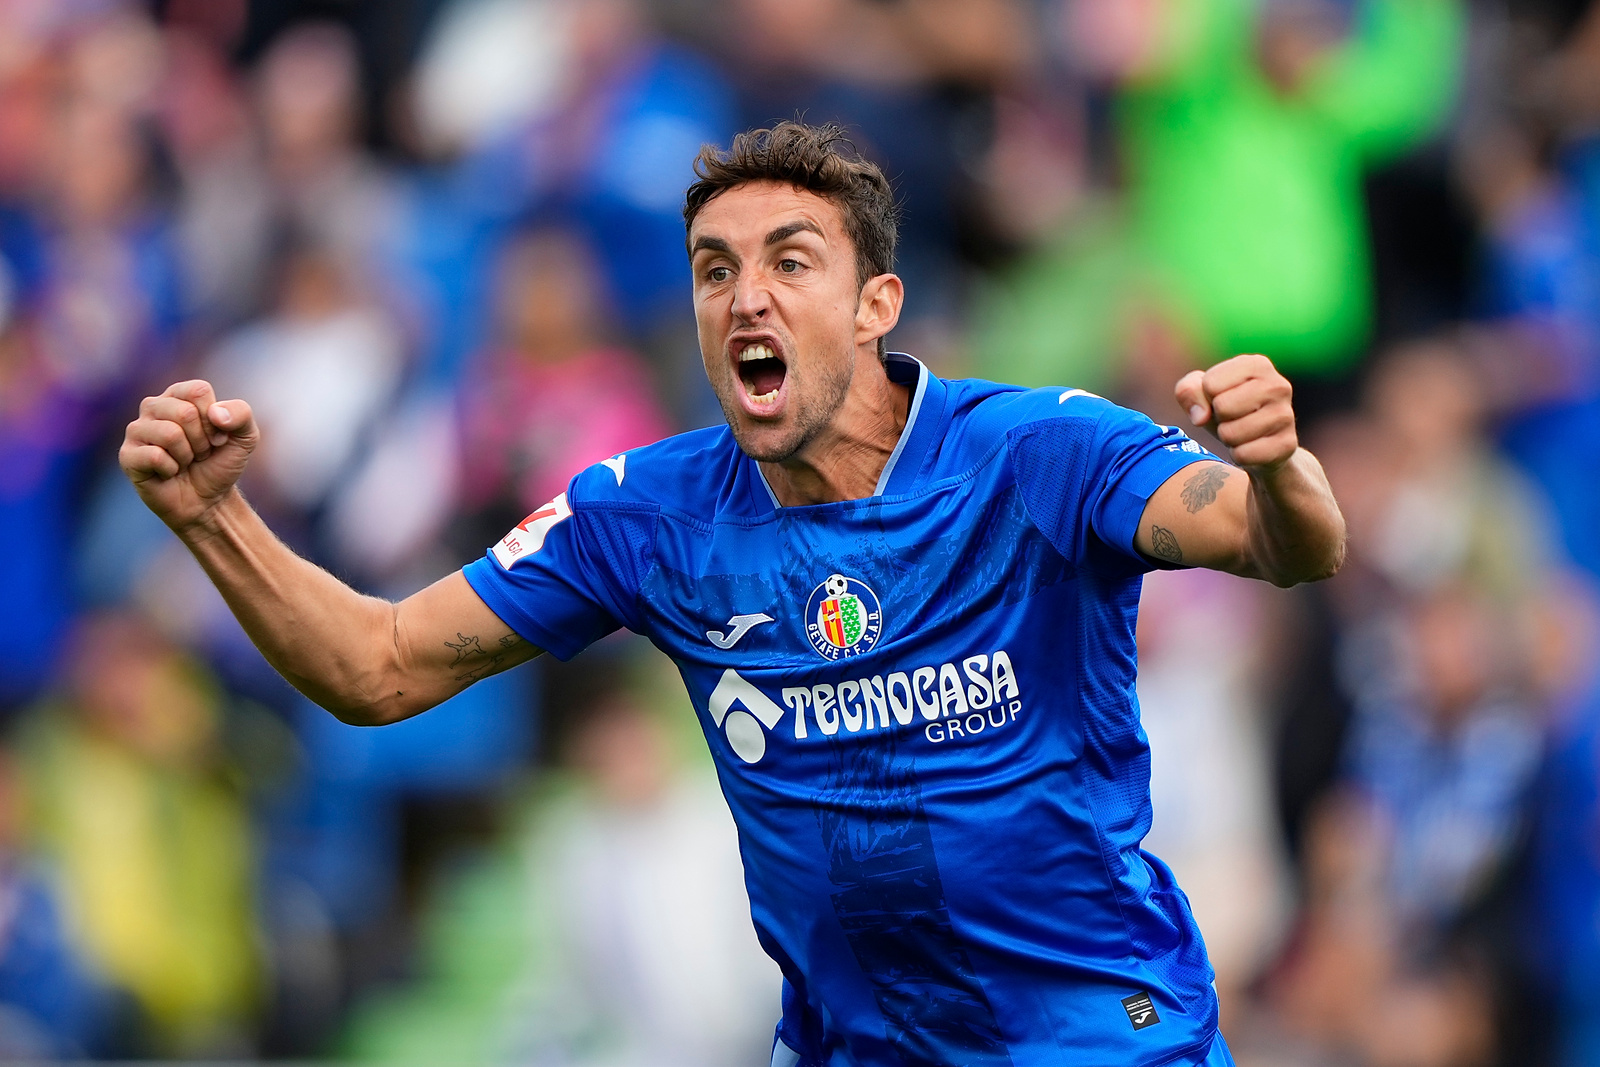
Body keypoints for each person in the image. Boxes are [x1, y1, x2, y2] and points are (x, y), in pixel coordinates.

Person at [118, 122, 1344, 1067]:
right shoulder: (645, 515)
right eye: (714, 269)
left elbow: (1285, 544)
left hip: (1098, 1038)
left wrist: (1278, 463)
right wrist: (213, 519)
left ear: (877, 306)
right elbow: (377, 665)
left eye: (788, 261)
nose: (744, 295)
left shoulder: (1037, 454)